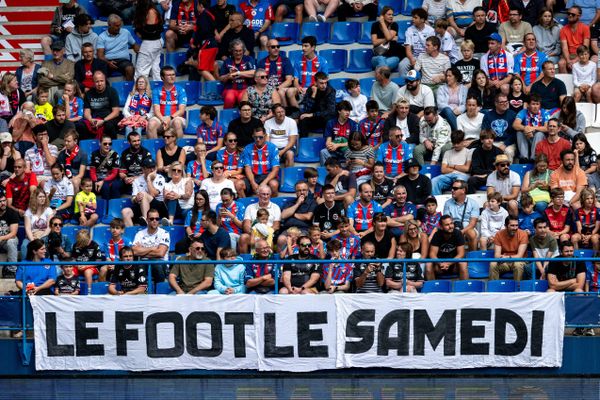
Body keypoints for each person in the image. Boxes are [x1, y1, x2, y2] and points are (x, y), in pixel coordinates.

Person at [238, 185, 281, 253]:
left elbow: (276, 226)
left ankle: (269, 262)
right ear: (258, 195)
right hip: (253, 234)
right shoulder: (250, 207)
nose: (266, 196)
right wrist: (254, 234)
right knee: (243, 237)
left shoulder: (275, 207)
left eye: (267, 194)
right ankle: (245, 261)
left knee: (270, 240)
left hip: (268, 234)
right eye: (263, 194)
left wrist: (265, 233)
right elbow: (246, 225)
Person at [147, 66, 187, 139]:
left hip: (175, 118)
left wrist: (169, 118)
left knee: (177, 122)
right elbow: (156, 110)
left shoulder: (181, 90)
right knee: (151, 123)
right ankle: (154, 148)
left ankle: (179, 148)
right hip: (161, 118)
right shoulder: (156, 91)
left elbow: (181, 110)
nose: (172, 77)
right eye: (169, 75)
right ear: (162, 77)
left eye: (173, 74)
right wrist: (163, 120)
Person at [96, 14, 139, 81]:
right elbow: (100, 56)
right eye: (116, 26)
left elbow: (134, 45)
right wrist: (108, 62)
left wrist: (141, 53)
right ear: (109, 25)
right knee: (101, 73)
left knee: (130, 69)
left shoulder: (125, 32)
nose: (119, 27)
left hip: (123, 60)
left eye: (120, 25)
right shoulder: (102, 37)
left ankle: (129, 89)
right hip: (108, 61)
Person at [132, 209, 170, 282]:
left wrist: (142, 251)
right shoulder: (140, 234)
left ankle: (159, 290)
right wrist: (152, 248)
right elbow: (134, 252)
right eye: (152, 219)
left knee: (155, 263)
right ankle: (143, 290)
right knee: (137, 266)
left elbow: (160, 253)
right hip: (143, 264)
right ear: (147, 220)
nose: (154, 221)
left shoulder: (165, 233)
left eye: (157, 219)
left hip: (161, 265)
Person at [426, 214, 469, 280]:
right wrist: (440, 264)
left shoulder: (458, 233)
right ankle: (433, 288)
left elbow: (461, 254)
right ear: (441, 227)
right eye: (447, 225)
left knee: (463, 264)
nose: (450, 226)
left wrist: (449, 263)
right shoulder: (437, 235)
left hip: (454, 264)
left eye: (451, 223)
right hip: (440, 265)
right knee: (428, 265)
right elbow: (432, 254)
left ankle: (464, 288)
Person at [241, 126, 280, 196]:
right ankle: (245, 204)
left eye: (260, 137)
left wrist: (264, 182)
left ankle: (272, 205)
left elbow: (275, 170)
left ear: (265, 136)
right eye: (255, 137)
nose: (258, 139)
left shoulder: (273, 148)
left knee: (274, 184)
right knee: (239, 184)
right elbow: (247, 168)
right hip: (253, 176)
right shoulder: (247, 148)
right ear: (253, 136)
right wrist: (252, 182)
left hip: (267, 175)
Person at [431, 129, 472, 195]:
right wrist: (459, 169)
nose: (456, 145)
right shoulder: (447, 153)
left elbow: (466, 168)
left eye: (458, 143)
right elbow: (443, 170)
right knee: (434, 181)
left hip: (463, 176)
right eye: (454, 143)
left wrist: (453, 166)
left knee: (459, 181)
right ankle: (437, 202)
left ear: (463, 141)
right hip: (449, 176)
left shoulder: (469, 152)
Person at [82, 71, 121, 139]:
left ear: (105, 80)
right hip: (94, 118)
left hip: (108, 118)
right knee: (80, 126)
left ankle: (111, 146)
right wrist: (91, 120)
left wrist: (103, 121)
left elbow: (116, 112)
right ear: (93, 82)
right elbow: (86, 112)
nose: (99, 84)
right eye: (97, 81)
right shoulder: (88, 93)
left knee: (109, 125)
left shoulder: (112, 91)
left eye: (102, 81)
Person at [296, 72, 336, 138]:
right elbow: (306, 109)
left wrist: (312, 114)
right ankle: (304, 143)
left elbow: (330, 111)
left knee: (329, 119)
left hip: (324, 117)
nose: (324, 85)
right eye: (321, 83)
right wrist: (313, 94)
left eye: (325, 83)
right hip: (313, 118)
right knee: (303, 119)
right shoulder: (310, 90)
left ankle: (329, 143)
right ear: (315, 83)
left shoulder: (331, 91)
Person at [219, 39, 256, 109]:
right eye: (236, 51)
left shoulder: (248, 59)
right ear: (232, 51)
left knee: (242, 99)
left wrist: (238, 73)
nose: (238, 53)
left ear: (243, 50)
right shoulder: (227, 61)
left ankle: (243, 119)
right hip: (230, 88)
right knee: (229, 98)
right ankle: (227, 118)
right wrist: (228, 75)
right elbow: (220, 78)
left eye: (240, 51)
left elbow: (254, 73)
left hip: (245, 87)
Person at [443, 179, 479, 250]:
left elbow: (472, 224)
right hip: (452, 226)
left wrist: (462, 232)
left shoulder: (473, 203)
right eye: (452, 188)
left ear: (463, 190)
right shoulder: (447, 203)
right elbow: (446, 221)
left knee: (471, 233)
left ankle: (472, 257)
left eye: (455, 188)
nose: (452, 190)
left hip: (467, 227)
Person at [133, 0, 164, 82]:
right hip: (153, 42)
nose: (136, 2)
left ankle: (140, 93)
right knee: (155, 69)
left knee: (141, 71)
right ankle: (156, 91)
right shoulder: (145, 11)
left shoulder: (151, 11)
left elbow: (151, 32)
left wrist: (138, 31)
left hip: (151, 43)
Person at [319, 101, 359, 165]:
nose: (348, 113)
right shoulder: (331, 123)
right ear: (339, 111)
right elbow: (328, 140)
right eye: (345, 110)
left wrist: (338, 145)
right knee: (323, 152)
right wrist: (330, 145)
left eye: (349, 111)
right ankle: (325, 173)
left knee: (353, 152)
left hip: (347, 149)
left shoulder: (353, 124)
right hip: (334, 150)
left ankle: (350, 173)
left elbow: (353, 143)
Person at [256, 39, 294, 106]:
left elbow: (289, 81)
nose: (276, 49)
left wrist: (276, 89)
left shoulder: (285, 60)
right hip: (266, 88)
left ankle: (285, 112)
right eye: (273, 47)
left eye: (278, 46)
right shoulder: (262, 63)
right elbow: (259, 80)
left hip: (281, 88)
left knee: (280, 92)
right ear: (268, 49)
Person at [481, 92, 517, 162]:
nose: (505, 104)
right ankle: (490, 171)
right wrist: (490, 143)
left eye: (506, 101)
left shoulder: (512, 114)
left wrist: (505, 144)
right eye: (502, 102)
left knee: (509, 152)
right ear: (496, 103)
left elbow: (514, 133)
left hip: (508, 143)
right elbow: (484, 131)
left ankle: (507, 171)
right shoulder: (488, 115)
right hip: (493, 141)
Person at [513, 94, 549, 163]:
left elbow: (547, 128)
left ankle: (533, 158)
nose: (535, 107)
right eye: (533, 104)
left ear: (540, 105)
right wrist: (525, 128)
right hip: (528, 137)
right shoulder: (523, 112)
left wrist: (532, 129)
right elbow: (515, 125)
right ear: (528, 105)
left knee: (539, 134)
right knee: (519, 132)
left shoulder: (544, 113)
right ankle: (524, 158)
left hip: (540, 140)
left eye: (537, 104)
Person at [175, 190, 210, 254]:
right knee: (179, 245)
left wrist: (202, 234)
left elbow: (211, 227)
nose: (198, 201)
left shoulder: (210, 213)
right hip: (192, 237)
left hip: (205, 237)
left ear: (206, 200)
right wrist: (191, 235)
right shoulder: (190, 212)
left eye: (200, 199)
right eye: (196, 199)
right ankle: (179, 262)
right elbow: (187, 226)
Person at [558, 6, 591, 73]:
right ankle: (565, 83)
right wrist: (568, 61)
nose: (570, 15)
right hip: (569, 55)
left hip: (581, 53)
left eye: (573, 14)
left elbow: (585, 47)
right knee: (561, 63)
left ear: (579, 16)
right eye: (568, 13)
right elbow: (564, 48)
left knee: (583, 60)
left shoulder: (585, 28)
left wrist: (576, 59)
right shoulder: (563, 29)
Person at [370, 6, 402, 71]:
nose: (391, 16)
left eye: (392, 15)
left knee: (388, 62)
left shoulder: (394, 25)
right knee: (381, 59)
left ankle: (379, 71)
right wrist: (389, 39)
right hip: (378, 57)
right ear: (382, 16)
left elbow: (388, 37)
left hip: (393, 57)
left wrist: (382, 23)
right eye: (389, 14)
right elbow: (374, 42)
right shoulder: (375, 25)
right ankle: (382, 72)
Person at [0, 193, 19, 278]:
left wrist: (1, 238)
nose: (3, 203)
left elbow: (13, 233)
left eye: (4, 201)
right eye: (0, 202)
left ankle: (12, 270)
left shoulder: (12, 213)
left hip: (7, 239)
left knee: (12, 241)